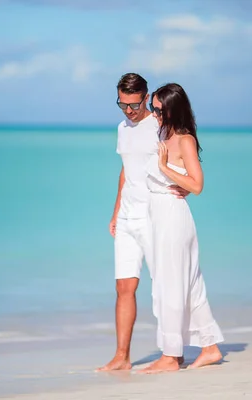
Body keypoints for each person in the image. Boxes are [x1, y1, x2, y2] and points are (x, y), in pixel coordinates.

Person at [98, 73, 189, 372]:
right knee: (124, 286)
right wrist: (115, 213)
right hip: (127, 216)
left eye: (134, 105)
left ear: (146, 96)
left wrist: (186, 186)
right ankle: (122, 356)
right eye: (122, 105)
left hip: (155, 215)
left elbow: (181, 157)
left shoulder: (160, 127)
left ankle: (173, 353)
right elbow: (125, 172)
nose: (128, 111)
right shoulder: (122, 128)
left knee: (163, 286)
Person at [139, 83, 224, 374]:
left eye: (158, 109)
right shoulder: (162, 131)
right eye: (152, 107)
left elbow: (197, 185)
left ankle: (171, 356)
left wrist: (165, 167)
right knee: (187, 284)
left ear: (173, 110)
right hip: (158, 215)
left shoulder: (184, 139)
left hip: (174, 218)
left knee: (171, 285)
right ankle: (210, 347)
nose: (154, 113)